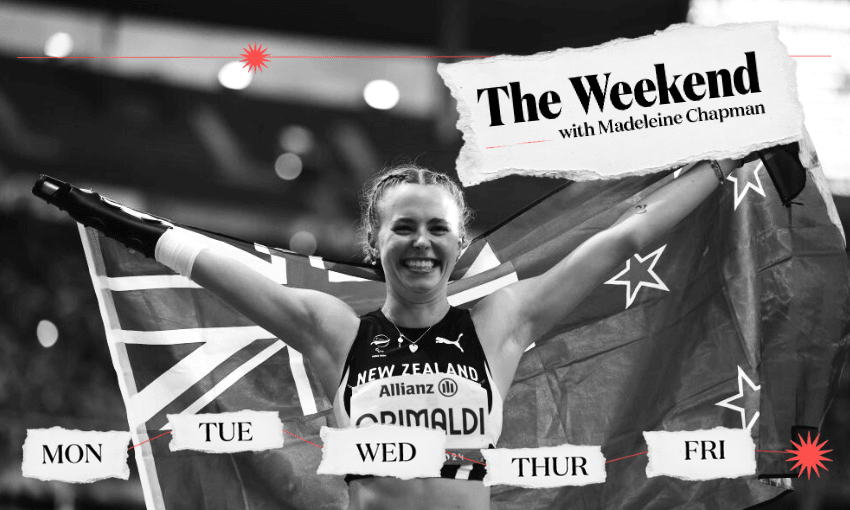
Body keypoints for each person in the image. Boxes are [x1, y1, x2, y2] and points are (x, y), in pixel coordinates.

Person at [33, 158, 740, 510]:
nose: (422, 242)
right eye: (404, 227)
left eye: (438, 228)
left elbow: (627, 236)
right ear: (377, 242)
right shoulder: (335, 330)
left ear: (460, 244)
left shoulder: (504, 322)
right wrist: (107, 218)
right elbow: (213, 266)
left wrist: (722, 164)